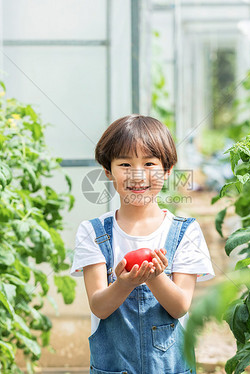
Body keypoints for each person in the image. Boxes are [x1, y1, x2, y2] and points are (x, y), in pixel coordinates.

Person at [70, 114, 215, 374]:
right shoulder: (92, 232)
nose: (137, 175)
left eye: (149, 163)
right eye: (125, 164)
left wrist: (156, 277)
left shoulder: (185, 232)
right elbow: (99, 307)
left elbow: (180, 306)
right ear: (107, 171)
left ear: (167, 170)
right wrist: (124, 283)